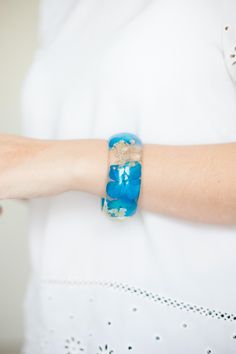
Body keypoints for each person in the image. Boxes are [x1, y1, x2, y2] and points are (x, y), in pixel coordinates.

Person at [1, 0, 236, 353]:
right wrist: (20, 175)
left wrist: (59, 161)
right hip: (57, 324)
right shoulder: (57, 8)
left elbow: (62, 164)